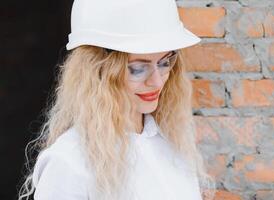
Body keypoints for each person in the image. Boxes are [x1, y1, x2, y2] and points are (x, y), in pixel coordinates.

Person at [18, 0, 215, 199]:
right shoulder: (70, 161)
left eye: (165, 62)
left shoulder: (172, 144)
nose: (156, 82)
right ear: (98, 70)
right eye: (138, 68)